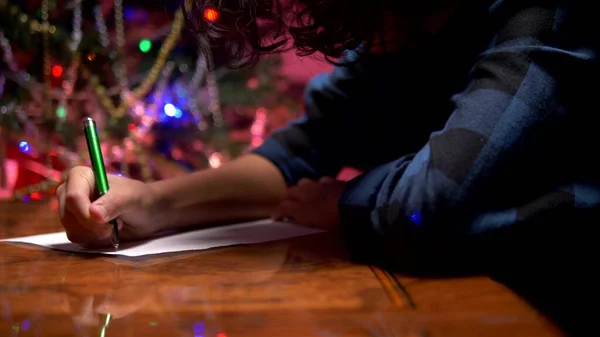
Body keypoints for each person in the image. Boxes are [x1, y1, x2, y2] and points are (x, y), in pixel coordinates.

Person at [58, 0, 597, 268]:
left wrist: (339, 202)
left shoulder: (545, 16)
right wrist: (151, 202)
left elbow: (432, 203)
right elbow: (301, 152)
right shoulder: (401, 26)